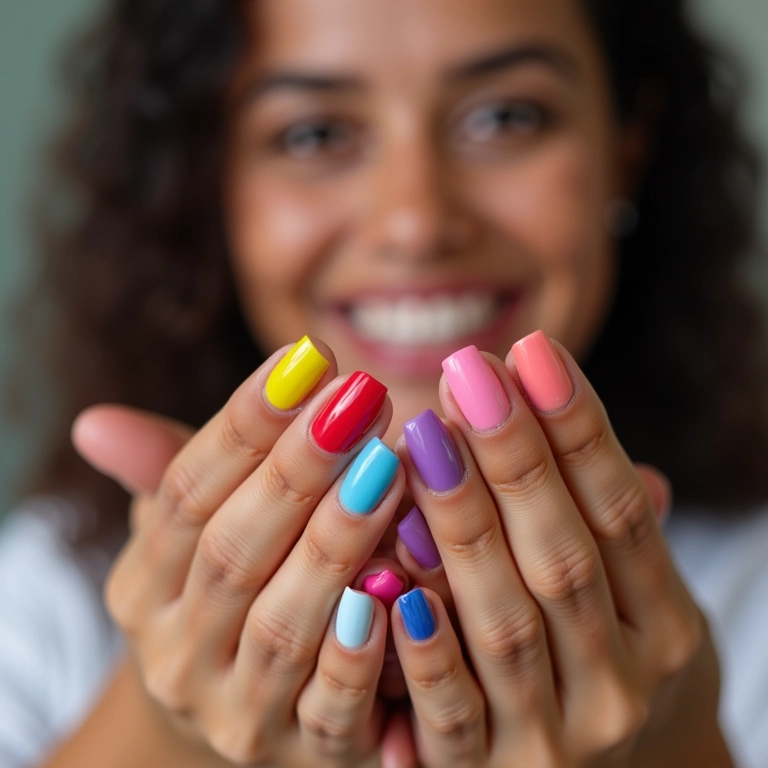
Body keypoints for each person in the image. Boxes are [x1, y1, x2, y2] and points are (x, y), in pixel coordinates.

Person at [2, 0, 768, 765]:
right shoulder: (53, 596)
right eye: (316, 134)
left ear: (626, 146)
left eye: (505, 117)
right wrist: (160, 728)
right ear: (213, 181)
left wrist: (678, 742)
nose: (416, 220)